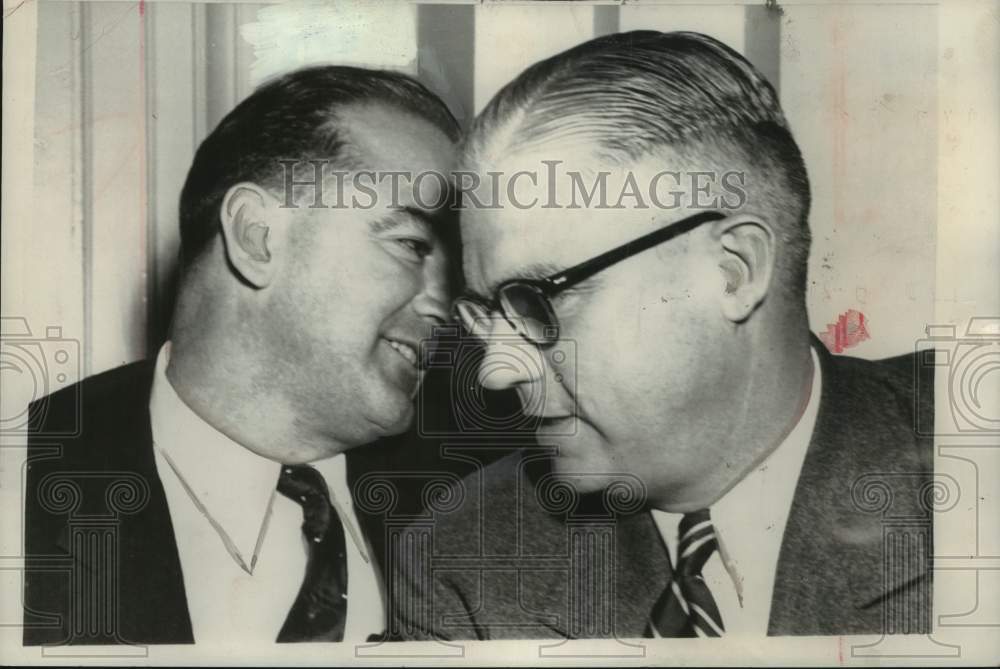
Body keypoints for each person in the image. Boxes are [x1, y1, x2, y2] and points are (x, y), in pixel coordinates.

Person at [390, 31, 933, 639]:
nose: (498, 370)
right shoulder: (464, 554)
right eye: (485, 313)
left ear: (734, 271)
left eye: (537, 302)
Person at [23, 65, 458, 645]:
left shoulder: (493, 504)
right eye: (411, 244)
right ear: (257, 236)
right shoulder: (22, 480)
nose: (445, 305)